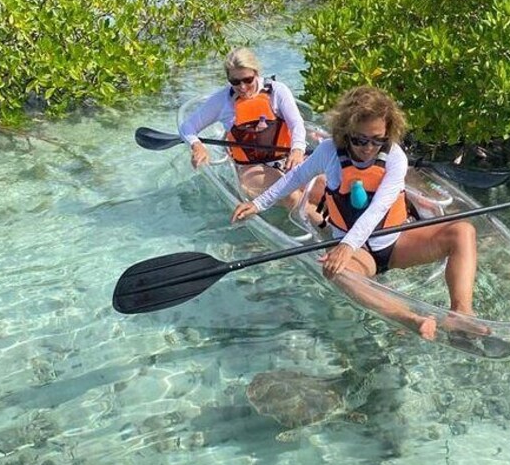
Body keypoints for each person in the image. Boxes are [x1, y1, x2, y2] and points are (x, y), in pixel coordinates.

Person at [231, 86, 488, 340]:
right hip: (360, 254)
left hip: (395, 242)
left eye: (378, 140)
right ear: (346, 132)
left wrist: (346, 245)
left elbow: (380, 206)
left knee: (462, 231)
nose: (368, 147)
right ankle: (410, 319)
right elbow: (296, 176)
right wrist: (259, 204)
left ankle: (461, 314)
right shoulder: (329, 151)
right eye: (360, 139)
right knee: (337, 272)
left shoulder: (395, 157)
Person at [178, 47, 308, 208]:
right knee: (293, 196)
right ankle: (331, 232)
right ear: (228, 79)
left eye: (247, 80)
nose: (243, 87)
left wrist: (297, 150)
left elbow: (297, 124)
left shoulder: (277, 91)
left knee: (324, 188)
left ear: (256, 73)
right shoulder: (221, 101)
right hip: (251, 168)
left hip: (285, 159)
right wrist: (197, 146)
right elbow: (187, 127)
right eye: (235, 82)